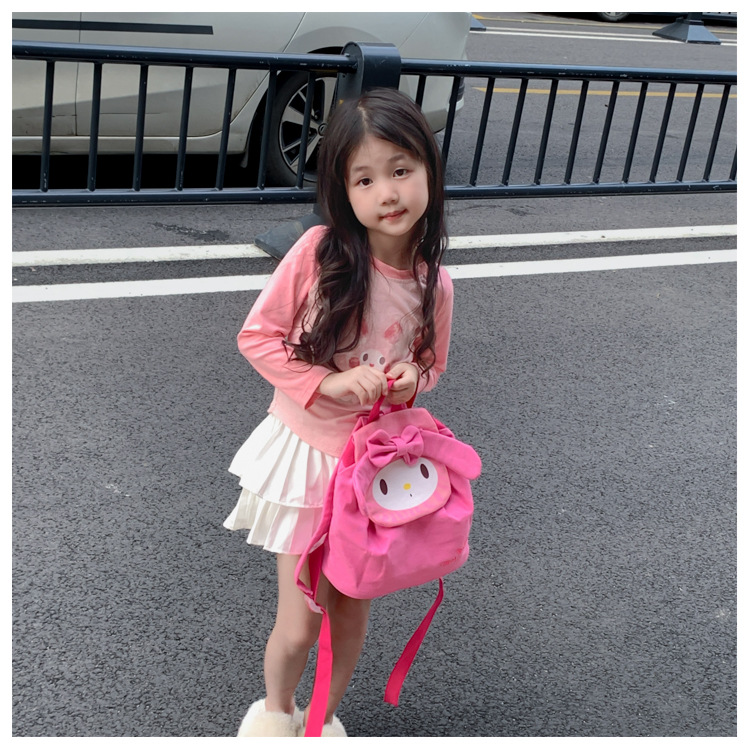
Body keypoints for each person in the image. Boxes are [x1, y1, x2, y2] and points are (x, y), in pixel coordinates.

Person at [223, 87, 454, 737]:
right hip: (306, 461)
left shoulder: (434, 282)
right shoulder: (320, 253)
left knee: (350, 619)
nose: (388, 192)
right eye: (365, 178)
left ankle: (321, 724)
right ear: (342, 190)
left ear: (429, 171)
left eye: (402, 170)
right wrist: (326, 382)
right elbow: (257, 338)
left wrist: (411, 380)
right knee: (300, 623)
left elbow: (431, 364)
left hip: (370, 475)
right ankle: (275, 716)